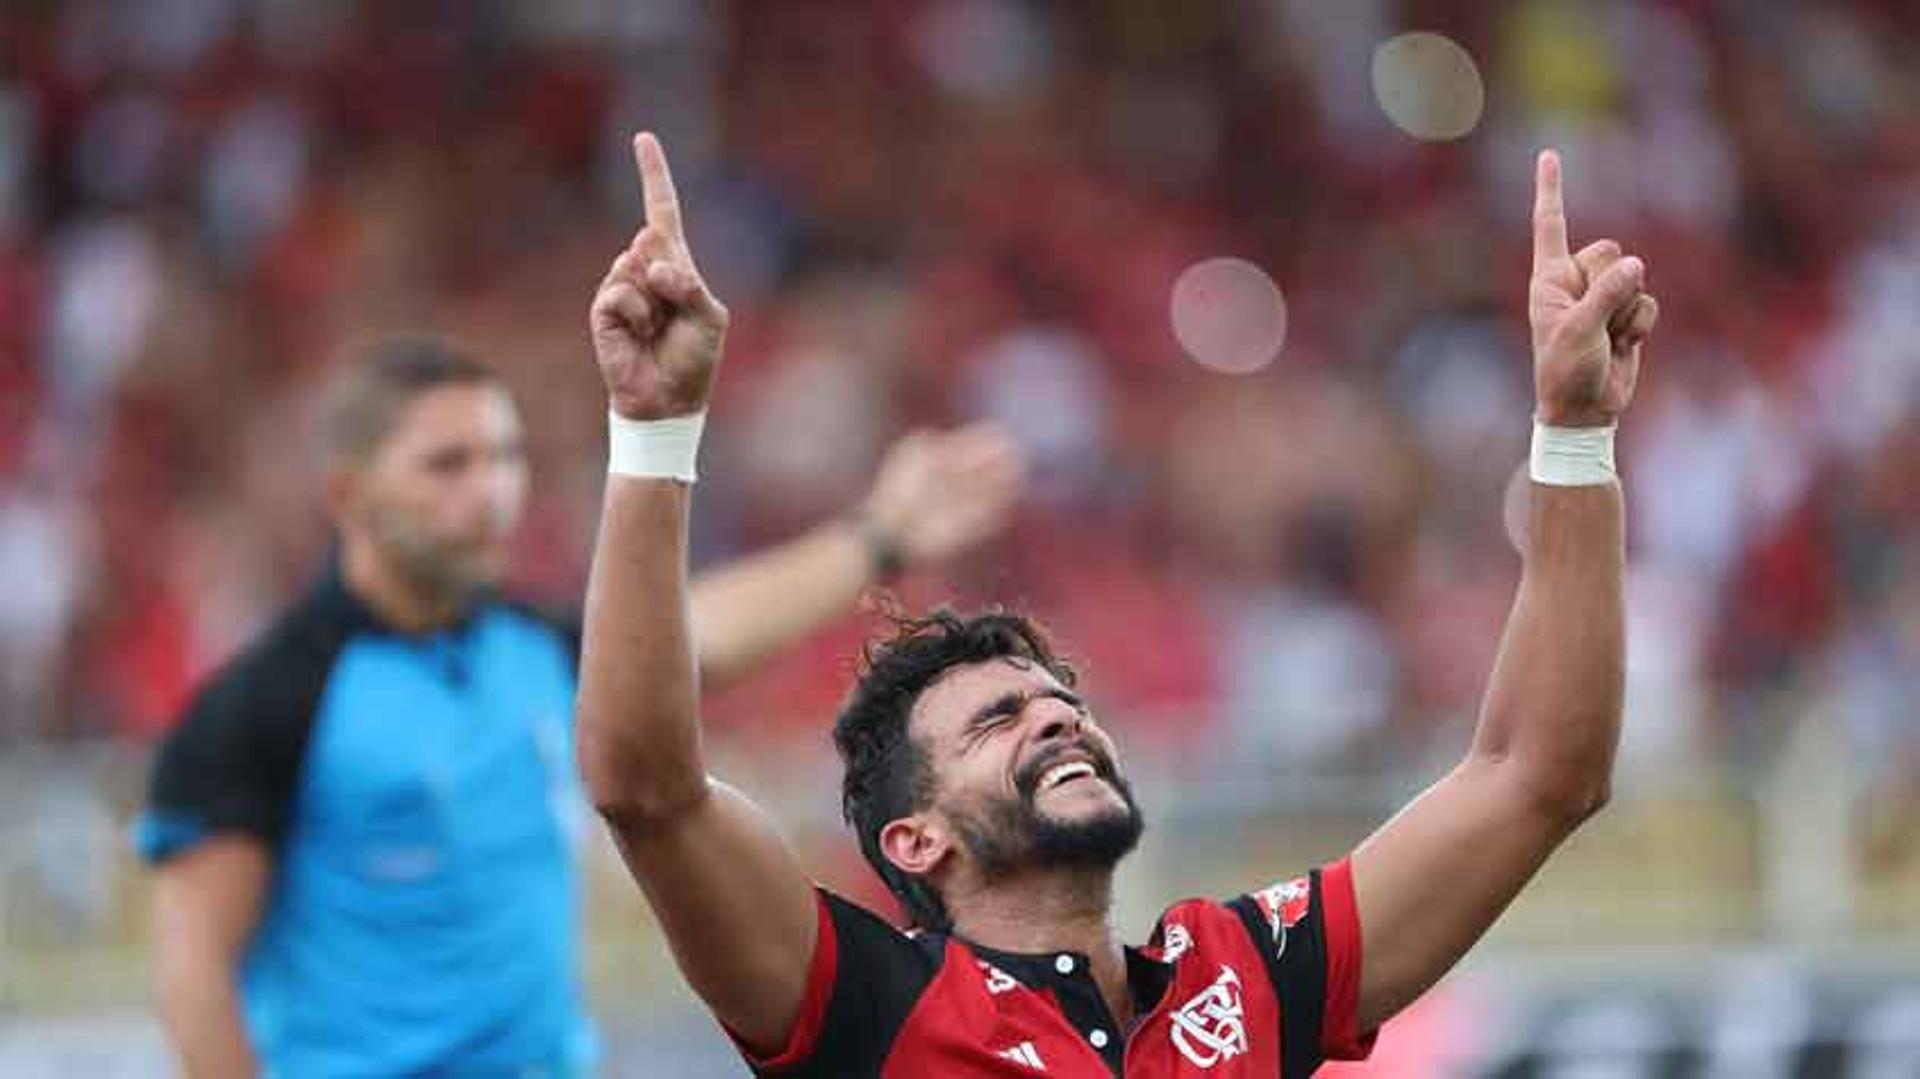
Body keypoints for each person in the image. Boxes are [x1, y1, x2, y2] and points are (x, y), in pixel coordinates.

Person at [575, 132, 1660, 1077]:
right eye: (1000, 720)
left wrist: (1572, 434)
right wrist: (656, 432)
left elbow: (1538, 774)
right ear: (914, 840)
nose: (1058, 714)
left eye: (1058, 698)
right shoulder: (865, 1006)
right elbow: (646, 787)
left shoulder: (1240, 979)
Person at [135, 336, 1025, 1077]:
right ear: (348, 492)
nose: (489, 492)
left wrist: (879, 536)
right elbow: (193, 971)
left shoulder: (529, 650)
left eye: (503, 458)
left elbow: (696, 638)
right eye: (448, 464)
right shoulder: (268, 700)